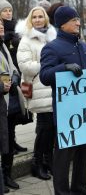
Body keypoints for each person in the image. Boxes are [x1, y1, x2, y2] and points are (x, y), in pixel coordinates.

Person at [40, 6, 86, 195]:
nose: (79, 23)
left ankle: (79, 187)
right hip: (67, 111)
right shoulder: (51, 47)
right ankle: (62, 192)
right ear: (62, 24)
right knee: (64, 156)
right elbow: (45, 75)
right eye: (74, 20)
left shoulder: (82, 45)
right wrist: (64, 67)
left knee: (83, 151)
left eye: (78, 19)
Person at [16, 6, 56, 180]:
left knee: (51, 129)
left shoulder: (52, 37)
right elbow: (24, 66)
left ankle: (48, 161)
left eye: (41, 17)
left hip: (53, 89)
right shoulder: (26, 40)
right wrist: (47, 66)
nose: (38, 19)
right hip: (39, 90)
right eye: (35, 17)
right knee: (43, 129)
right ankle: (36, 163)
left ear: (46, 19)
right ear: (30, 20)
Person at [0, 0, 28, 157]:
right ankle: (9, 143)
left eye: (10, 10)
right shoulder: (4, 31)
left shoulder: (18, 27)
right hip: (5, 75)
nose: (9, 13)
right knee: (8, 112)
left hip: (16, 71)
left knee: (17, 111)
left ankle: (13, 141)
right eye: (5, 11)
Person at [0, 18, 14, 194]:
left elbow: (11, 68)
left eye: (1, 25)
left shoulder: (3, 46)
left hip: (5, 101)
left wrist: (15, 77)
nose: (1, 27)